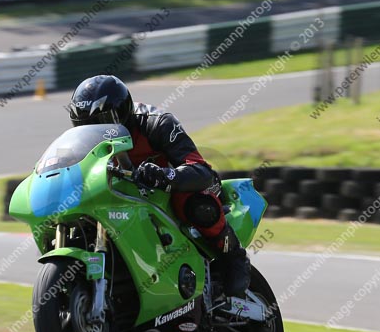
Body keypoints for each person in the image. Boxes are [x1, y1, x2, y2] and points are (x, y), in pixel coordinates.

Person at [68, 74, 250, 298]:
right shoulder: (83, 144)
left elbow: (201, 170)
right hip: (125, 199)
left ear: (123, 111)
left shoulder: (156, 122)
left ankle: (232, 255)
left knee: (196, 205)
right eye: (85, 125)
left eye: (102, 121)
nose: (96, 130)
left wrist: (164, 176)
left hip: (174, 189)